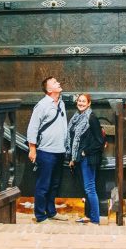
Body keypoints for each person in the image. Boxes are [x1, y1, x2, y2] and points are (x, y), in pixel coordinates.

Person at [27, 76, 68, 223]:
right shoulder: (42, 105)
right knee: (43, 184)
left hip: (60, 151)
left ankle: (51, 212)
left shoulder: (61, 103)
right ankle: (40, 215)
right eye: (55, 83)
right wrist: (32, 149)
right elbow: (33, 127)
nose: (59, 83)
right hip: (46, 151)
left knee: (54, 184)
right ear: (49, 90)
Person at [66, 93, 104, 225]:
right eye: (79, 101)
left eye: (83, 101)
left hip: (88, 158)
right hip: (79, 159)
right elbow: (74, 139)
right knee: (85, 189)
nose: (81, 103)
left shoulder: (91, 118)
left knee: (90, 188)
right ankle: (88, 215)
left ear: (89, 103)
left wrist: (84, 152)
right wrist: (73, 157)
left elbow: (99, 141)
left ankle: (95, 219)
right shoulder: (77, 117)